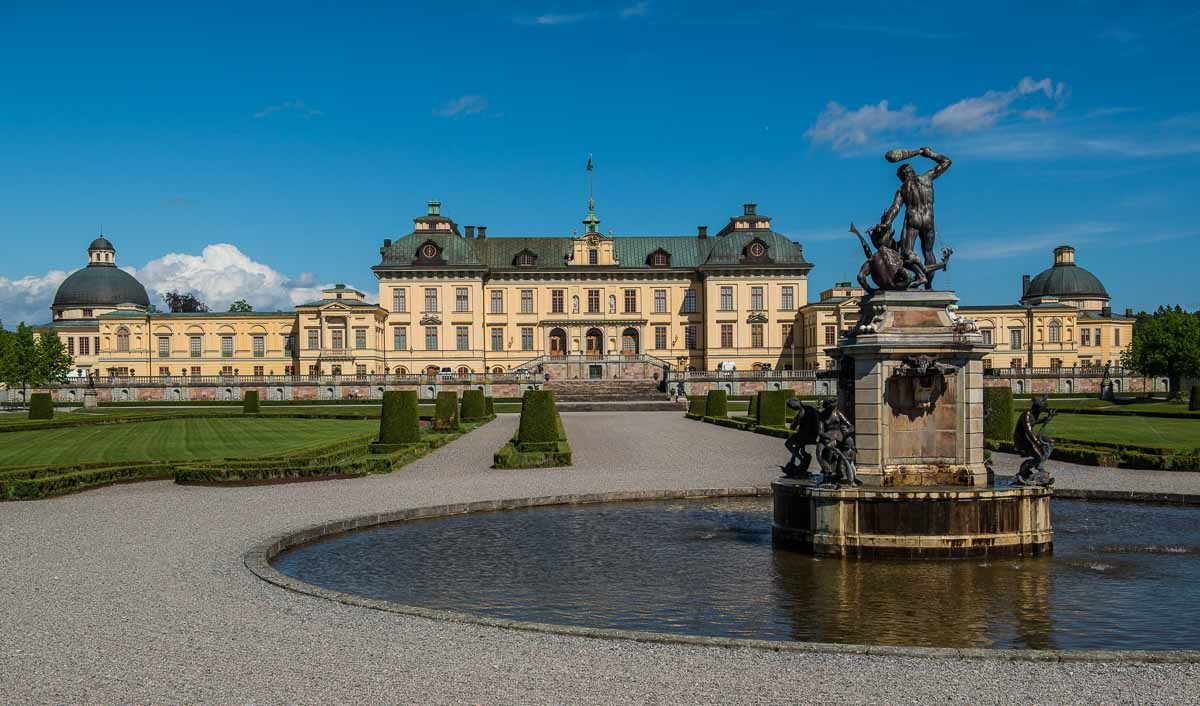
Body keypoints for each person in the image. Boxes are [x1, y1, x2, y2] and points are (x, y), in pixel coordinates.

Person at [878, 146, 952, 290]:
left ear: (901, 176)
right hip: (929, 219)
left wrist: (886, 223)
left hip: (913, 219)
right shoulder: (927, 177)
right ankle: (928, 286)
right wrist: (930, 154)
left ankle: (920, 276)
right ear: (913, 172)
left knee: (906, 253)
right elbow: (947, 162)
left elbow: (895, 208)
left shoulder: (902, 189)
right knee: (928, 252)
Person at [1012, 396, 1057, 486]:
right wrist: (1037, 442)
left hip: (1030, 438)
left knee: (1051, 442)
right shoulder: (1027, 415)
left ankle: (1039, 466)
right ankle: (1023, 472)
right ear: (1037, 408)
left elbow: (1035, 422)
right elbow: (1028, 431)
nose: (1044, 410)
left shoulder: (1034, 414)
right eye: (1043, 409)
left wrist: (1047, 418)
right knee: (1039, 455)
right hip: (1022, 440)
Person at [782, 398, 820, 478]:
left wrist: (794, 421)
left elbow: (793, 427)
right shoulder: (810, 408)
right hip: (813, 434)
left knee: (788, 444)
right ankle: (797, 464)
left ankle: (800, 459)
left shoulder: (801, 412)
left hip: (804, 435)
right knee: (800, 448)